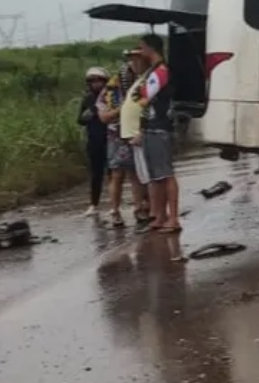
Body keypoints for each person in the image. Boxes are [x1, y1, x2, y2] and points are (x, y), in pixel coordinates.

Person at [130, 33, 181, 233]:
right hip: (151, 127)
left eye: (141, 48)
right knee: (155, 176)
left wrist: (140, 88)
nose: (139, 52)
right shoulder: (151, 71)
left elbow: (143, 96)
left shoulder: (160, 71)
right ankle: (160, 216)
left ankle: (173, 218)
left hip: (160, 127)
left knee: (166, 174)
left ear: (150, 48)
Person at [98, 49, 152, 229]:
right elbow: (103, 116)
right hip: (117, 134)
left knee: (137, 173)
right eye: (132, 60)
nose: (135, 64)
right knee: (117, 174)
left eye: (138, 60)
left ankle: (139, 208)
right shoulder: (114, 85)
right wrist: (123, 109)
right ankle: (115, 211)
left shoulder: (145, 81)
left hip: (138, 131)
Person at [77, 66, 112, 217]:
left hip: (110, 138)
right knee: (96, 174)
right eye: (92, 81)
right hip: (94, 140)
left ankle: (113, 204)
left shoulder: (110, 97)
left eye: (99, 81)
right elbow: (79, 120)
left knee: (113, 173)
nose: (96, 84)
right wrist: (87, 115)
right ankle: (93, 204)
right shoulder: (88, 99)